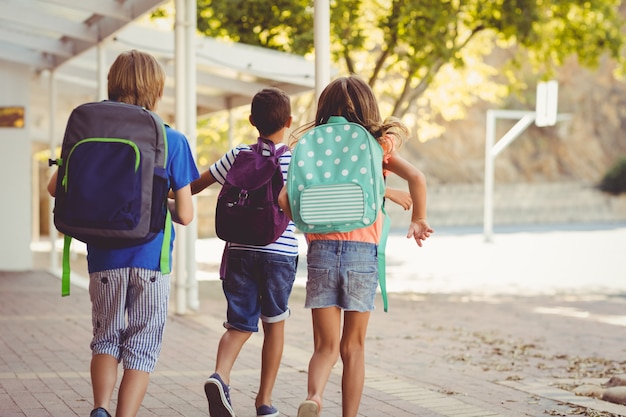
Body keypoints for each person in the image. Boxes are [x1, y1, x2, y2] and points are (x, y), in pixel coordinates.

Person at [47, 50, 200, 417]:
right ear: (156, 90)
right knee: (143, 343)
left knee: (106, 338)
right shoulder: (170, 139)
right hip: (152, 261)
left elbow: (55, 188)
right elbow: (185, 214)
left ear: (112, 85)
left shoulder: (90, 131)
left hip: (103, 259)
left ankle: (99, 407)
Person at [278, 75, 434, 417]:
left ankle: (315, 397)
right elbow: (417, 178)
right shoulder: (376, 145)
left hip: (320, 254)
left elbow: (283, 199)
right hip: (362, 255)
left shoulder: (310, 143)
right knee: (354, 347)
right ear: (367, 108)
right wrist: (418, 219)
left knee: (325, 347)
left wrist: (310, 228)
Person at [189, 87, 299, 417]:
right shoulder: (294, 159)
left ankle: (220, 375)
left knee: (238, 324)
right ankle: (264, 402)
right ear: (290, 121)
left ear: (252, 121)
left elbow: (195, 186)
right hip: (279, 253)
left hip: (238, 251)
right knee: (274, 325)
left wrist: (162, 194)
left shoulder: (237, 155)